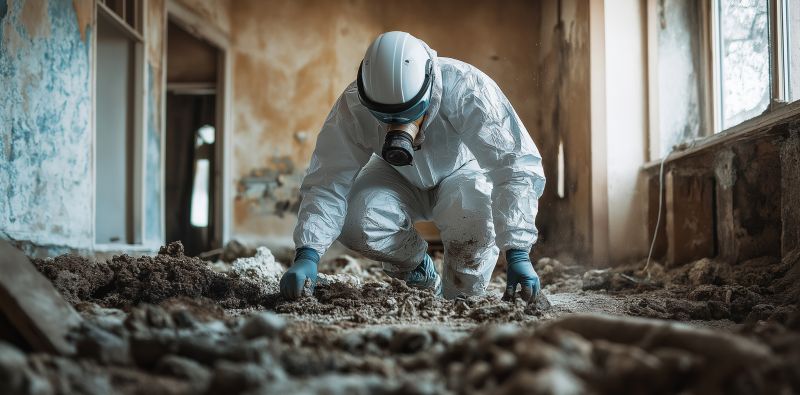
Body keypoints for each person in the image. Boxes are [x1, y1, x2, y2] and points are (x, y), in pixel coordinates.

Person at [280, 31, 545, 302]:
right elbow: (328, 180)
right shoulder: (353, 106)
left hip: (461, 169)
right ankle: (416, 268)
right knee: (356, 218)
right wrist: (307, 254)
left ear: (429, 85)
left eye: (408, 112)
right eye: (386, 117)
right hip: (393, 171)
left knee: (474, 222)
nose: (398, 125)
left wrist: (518, 252)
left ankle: (462, 296)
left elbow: (514, 165)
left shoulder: (467, 88)